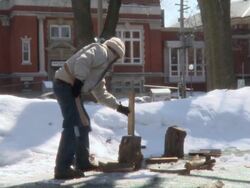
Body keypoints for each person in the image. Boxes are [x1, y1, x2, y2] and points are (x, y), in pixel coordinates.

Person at [53, 37, 130, 179]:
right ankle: (62, 168)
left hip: (68, 86)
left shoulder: (99, 70)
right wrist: (78, 81)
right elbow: (83, 60)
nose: (115, 63)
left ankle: (82, 162)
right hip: (66, 85)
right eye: (117, 59)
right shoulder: (101, 51)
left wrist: (118, 107)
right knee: (74, 124)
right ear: (116, 54)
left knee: (83, 123)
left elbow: (101, 94)